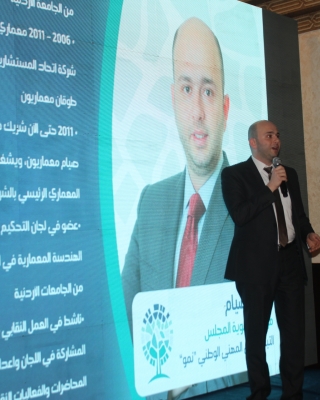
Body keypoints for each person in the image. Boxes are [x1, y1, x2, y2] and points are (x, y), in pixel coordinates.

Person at [121, 17, 241, 398]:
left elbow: (259, 340)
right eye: (187, 89)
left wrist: (183, 378)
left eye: (208, 91)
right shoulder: (150, 202)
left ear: (225, 107)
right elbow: (124, 323)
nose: (198, 112)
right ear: (174, 99)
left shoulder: (253, 209)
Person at [221, 120, 320, 400]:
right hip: (255, 268)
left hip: (290, 262)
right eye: (269, 135)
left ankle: (293, 394)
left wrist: (308, 233)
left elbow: (297, 215)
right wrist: (270, 186)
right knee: (256, 336)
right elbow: (240, 215)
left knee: (293, 335)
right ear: (253, 142)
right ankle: (259, 393)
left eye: (277, 135)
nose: (276, 140)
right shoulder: (234, 174)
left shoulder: (289, 173)